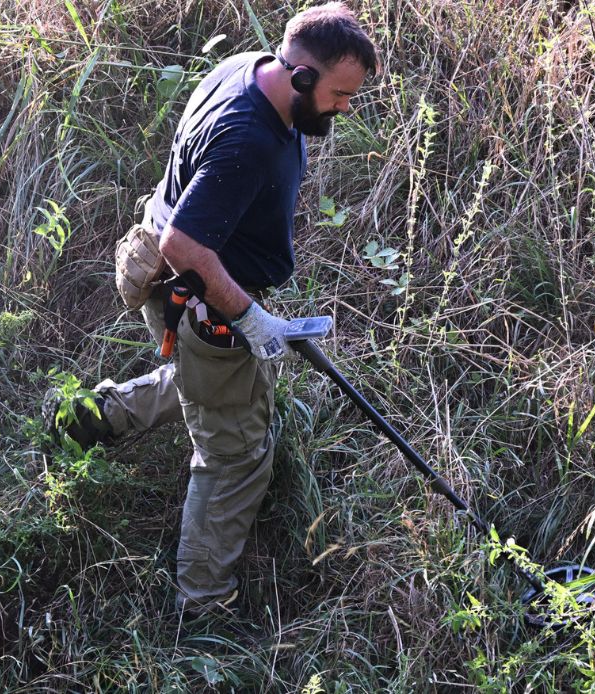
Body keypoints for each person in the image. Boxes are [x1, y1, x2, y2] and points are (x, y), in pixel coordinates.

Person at [45, 2, 376, 614]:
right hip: (198, 294)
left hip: (167, 274)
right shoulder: (249, 140)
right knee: (236, 454)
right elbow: (185, 246)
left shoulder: (248, 67)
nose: (344, 107)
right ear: (301, 77)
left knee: (210, 387)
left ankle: (92, 417)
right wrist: (249, 316)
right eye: (338, 94)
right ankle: (202, 603)